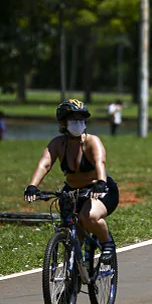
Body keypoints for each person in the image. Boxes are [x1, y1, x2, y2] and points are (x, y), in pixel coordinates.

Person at [24, 99, 119, 264]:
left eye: (82, 119)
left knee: (88, 217)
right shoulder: (58, 143)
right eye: (73, 119)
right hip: (72, 191)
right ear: (63, 122)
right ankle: (72, 278)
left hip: (100, 190)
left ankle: (107, 243)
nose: (78, 123)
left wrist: (101, 182)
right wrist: (33, 186)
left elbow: (100, 162)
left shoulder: (92, 141)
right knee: (71, 235)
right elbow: (45, 164)